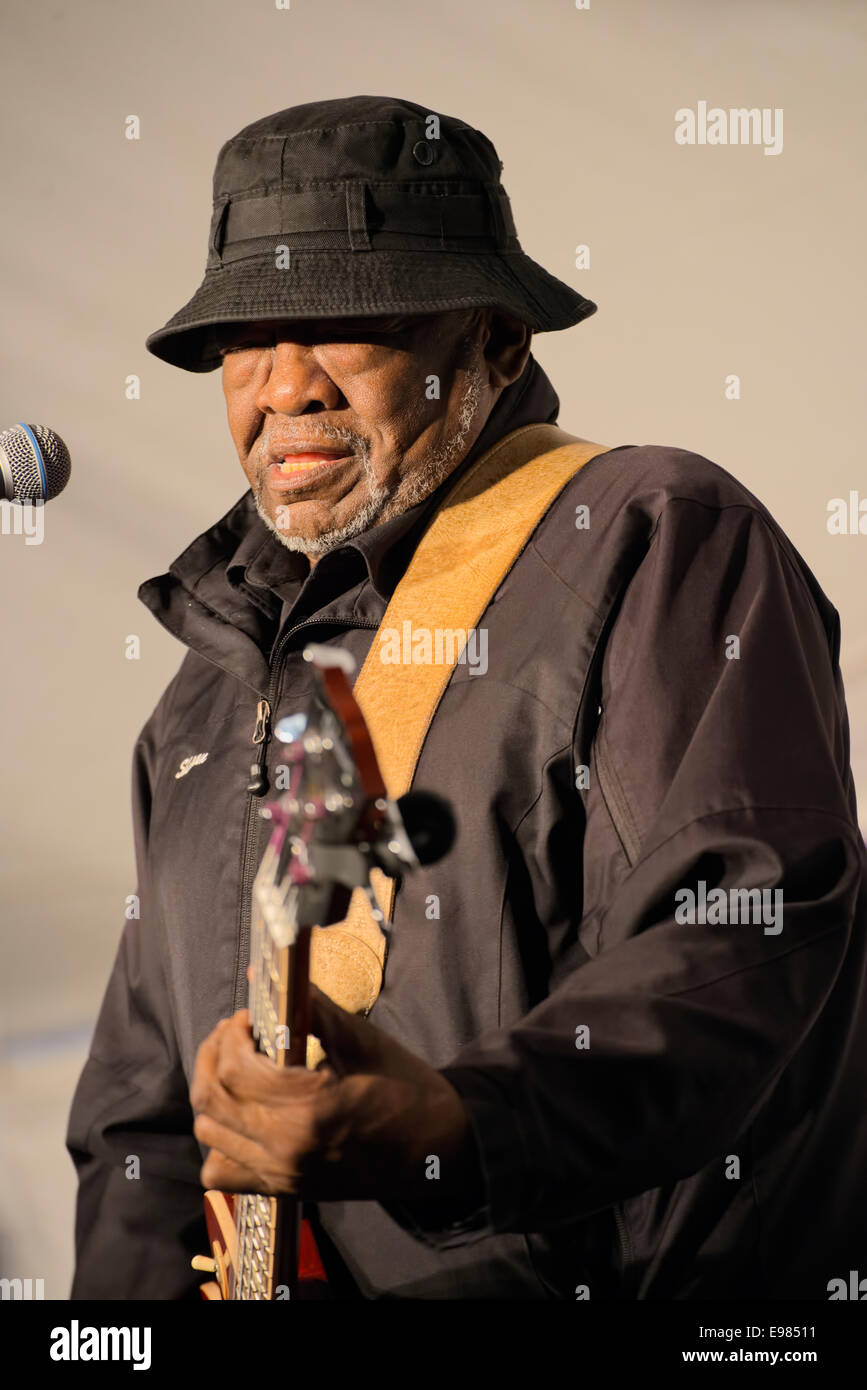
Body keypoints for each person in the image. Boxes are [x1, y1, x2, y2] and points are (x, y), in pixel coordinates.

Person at [67, 94, 867, 1300]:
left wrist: (455, 1131)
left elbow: (745, 935)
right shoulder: (199, 692)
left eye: (345, 321)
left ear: (496, 343)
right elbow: (139, 1124)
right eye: (245, 338)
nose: (286, 386)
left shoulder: (649, 537)